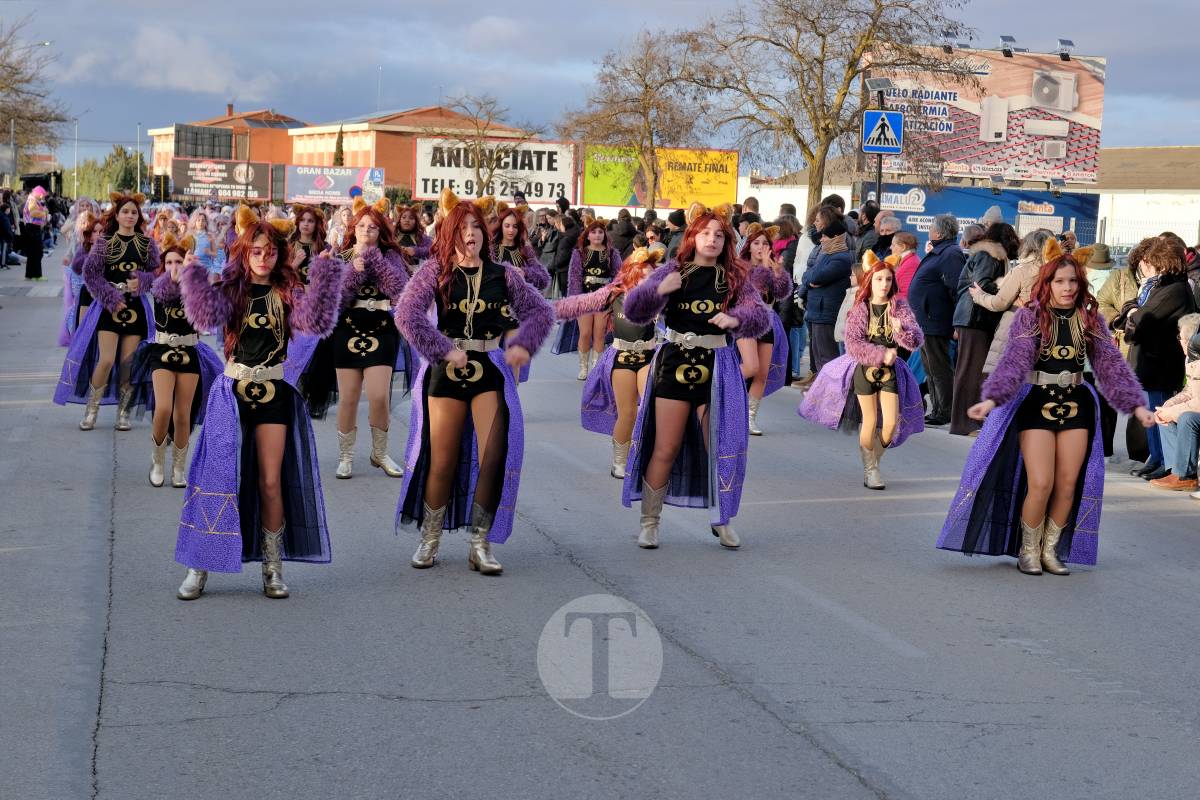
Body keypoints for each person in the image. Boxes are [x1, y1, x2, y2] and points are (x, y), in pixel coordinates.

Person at [937, 238, 1153, 575]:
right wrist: (992, 399)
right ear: (1047, 283)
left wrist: (1137, 407)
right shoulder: (1030, 317)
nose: (1067, 288)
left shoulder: (1090, 320)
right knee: (1041, 483)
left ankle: (1049, 550)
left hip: (1077, 404)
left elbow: (1111, 365)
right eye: (1059, 281)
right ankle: (1027, 550)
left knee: (1067, 484)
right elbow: (1014, 361)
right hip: (1036, 402)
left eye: (1073, 281)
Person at [173, 207, 345, 600]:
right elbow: (202, 318)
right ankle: (199, 566)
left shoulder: (289, 293)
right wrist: (193, 275)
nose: (264, 257)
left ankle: (272, 567)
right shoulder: (230, 291)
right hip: (231, 393)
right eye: (256, 251)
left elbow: (317, 323)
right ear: (244, 252)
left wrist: (324, 275)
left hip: (274, 394)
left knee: (270, 482)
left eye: (270, 251)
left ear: (280, 255)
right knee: (218, 479)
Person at [394, 188, 554, 575]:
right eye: (463, 227)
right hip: (446, 374)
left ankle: (480, 543)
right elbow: (406, 315)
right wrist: (443, 349)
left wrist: (523, 345)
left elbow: (541, 312)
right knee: (442, 459)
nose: (471, 233)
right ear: (451, 232)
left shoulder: (505, 274)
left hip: (488, 369)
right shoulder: (435, 271)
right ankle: (430, 538)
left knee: (493, 455)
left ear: (485, 233)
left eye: (477, 226)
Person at [620, 203, 768, 550]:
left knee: (718, 446)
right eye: (705, 233)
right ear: (692, 237)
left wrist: (736, 319)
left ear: (726, 241)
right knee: (666, 446)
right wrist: (658, 290)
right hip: (673, 364)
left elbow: (759, 316)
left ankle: (722, 520)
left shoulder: (735, 276)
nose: (712, 239)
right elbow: (634, 310)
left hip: (717, 369)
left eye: (719, 235)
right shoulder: (673, 271)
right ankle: (650, 522)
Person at [799, 253, 925, 488]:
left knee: (890, 425)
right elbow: (853, 344)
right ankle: (870, 471)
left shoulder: (900, 307)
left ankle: (873, 461)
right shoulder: (861, 307)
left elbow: (916, 340)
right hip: (865, 369)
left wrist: (901, 331)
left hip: (891, 372)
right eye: (879, 279)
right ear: (870, 280)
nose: (884, 284)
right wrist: (881, 354)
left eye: (888, 279)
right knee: (870, 420)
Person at [553, 247, 664, 477]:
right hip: (621, 358)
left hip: (648, 358)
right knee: (627, 413)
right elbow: (581, 303)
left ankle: (642, 456)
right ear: (632, 274)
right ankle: (619, 461)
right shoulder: (613, 294)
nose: (649, 280)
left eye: (652, 275)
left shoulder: (660, 298)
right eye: (644, 275)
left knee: (648, 409)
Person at [55, 192, 157, 431]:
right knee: (106, 360)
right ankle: (92, 410)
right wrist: (111, 298)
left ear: (139, 216)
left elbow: (156, 273)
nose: (130, 216)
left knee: (128, 363)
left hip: (135, 308)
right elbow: (90, 274)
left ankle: (124, 413)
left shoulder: (147, 244)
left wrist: (142, 281)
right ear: (117, 215)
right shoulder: (104, 243)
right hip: (108, 308)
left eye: (134, 212)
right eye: (125, 212)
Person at [128, 233, 223, 487]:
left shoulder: (194, 287)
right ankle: (158, 461)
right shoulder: (159, 286)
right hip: (161, 352)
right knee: (163, 408)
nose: (174, 267)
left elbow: (206, 318)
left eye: (179, 262)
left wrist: (194, 279)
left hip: (189, 353)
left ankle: (179, 468)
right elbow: (161, 291)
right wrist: (175, 277)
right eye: (169, 262)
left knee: (183, 415)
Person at [330, 198, 409, 480]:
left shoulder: (391, 256)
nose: (366, 230)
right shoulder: (340, 257)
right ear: (353, 228)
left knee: (378, 396)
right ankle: (346, 457)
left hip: (382, 328)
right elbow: (336, 300)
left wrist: (374, 263)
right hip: (347, 329)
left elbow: (400, 289)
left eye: (373, 227)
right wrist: (355, 270)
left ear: (380, 231)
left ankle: (380, 453)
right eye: (362, 225)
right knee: (348, 398)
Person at [1122, 238, 1199, 479]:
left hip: (1161, 364)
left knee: (1160, 413)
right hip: (1151, 362)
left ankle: (1167, 462)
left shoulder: (1174, 289)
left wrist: (1132, 315)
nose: (1149, 266)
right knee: (1152, 414)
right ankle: (1156, 457)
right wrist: (1131, 313)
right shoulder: (1163, 285)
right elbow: (1136, 312)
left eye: (1153, 262)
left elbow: (1142, 318)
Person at [950, 222, 1019, 435]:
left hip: (973, 318)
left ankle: (968, 422)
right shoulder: (990, 255)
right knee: (971, 372)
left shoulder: (987, 254)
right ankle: (966, 423)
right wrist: (1007, 289)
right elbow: (981, 284)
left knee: (971, 371)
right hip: (975, 318)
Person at [908, 213, 966, 426]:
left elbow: (957, 289)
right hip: (927, 321)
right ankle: (938, 409)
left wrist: (956, 322)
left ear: (940, 233)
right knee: (931, 369)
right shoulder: (941, 251)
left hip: (936, 321)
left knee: (939, 368)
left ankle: (945, 411)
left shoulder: (950, 254)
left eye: (932, 227)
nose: (929, 230)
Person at [738, 223, 792, 435]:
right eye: (756, 243)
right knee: (750, 368)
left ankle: (750, 418)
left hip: (767, 322)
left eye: (765, 243)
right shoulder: (740, 268)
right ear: (749, 246)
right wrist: (762, 267)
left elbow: (781, 293)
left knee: (762, 373)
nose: (761, 247)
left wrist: (778, 272)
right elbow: (751, 292)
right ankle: (724, 390)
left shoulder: (771, 268)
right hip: (745, 321)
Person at [797, 207, 853, 379]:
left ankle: (831, 391)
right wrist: (810, 279)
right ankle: (822, 390)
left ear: (835, 237)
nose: (821, 240)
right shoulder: (826, 254)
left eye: (825, 237)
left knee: (827, 358)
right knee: (819, 357)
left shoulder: (841, 257)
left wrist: (811, 278)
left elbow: (816, 276)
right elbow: (808, 275)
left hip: (826, 312)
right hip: (817, 311)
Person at [566, 219, 624, 379]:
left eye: (600, 232)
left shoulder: (612, 253)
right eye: (593, 232)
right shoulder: (579, 253)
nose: (597, 235)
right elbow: (574, 277)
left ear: (605, 234)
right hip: (584, 299)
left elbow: (618, 277)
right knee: (585, 333)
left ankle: (596, 369)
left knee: (599, 334)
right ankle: (583, 368)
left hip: (604, 300)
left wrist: (614, 296)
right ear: (587, 235)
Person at [1149, 317, 1200, 491]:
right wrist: (1168, 406)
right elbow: (1189, 391)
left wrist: (1174, 412)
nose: (1179, 341)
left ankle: (1186, 476)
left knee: (1187, 418)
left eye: (1181, 338)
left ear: (1191, 341)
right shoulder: (1191, 360)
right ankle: (1175, 471)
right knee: (1166, 414)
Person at [491, 203, 551, 291]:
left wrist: (525, 272)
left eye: (515, 226)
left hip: (521, 296)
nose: (511, 230)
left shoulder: (525, 250)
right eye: (507, 226)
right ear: (501, 226)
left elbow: (543, 280)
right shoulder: (491, 250)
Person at [22, 186, 49, 281]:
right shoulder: (32, 200)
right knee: (37, 252)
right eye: (42, 195)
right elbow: (33, 212)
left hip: (31, 227)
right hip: (33, 227)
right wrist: (44, 213)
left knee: (32, 252)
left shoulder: (33, 199)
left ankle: (30, 275)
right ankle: (37, 275)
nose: (42, 197)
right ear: (39, 193)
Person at [890, 231, 920, 298]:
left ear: (903, 247)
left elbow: (906, 294)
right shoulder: (909, 260)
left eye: (893, 245)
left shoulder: (911, 264)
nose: (890, 247)